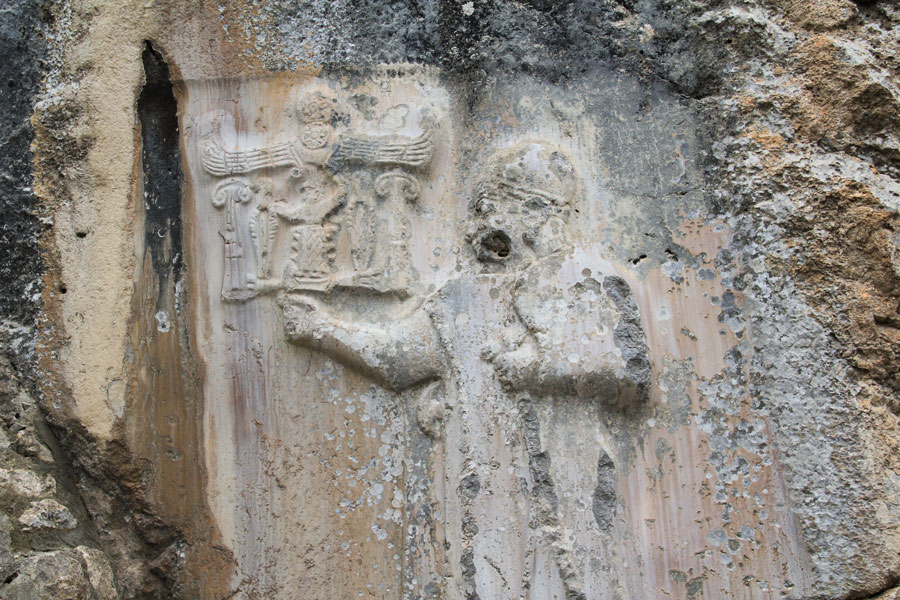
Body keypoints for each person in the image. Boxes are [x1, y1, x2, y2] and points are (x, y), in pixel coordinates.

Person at [282, 142, 649, 598]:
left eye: (491, 206)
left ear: (536, 211)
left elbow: (627, 371)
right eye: (479, 208)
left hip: (568, 482)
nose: (478, 223)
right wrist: (319, 328)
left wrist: (537, 367)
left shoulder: (584, 277)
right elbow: (398, 357)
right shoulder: (464, 298)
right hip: (488, 489)